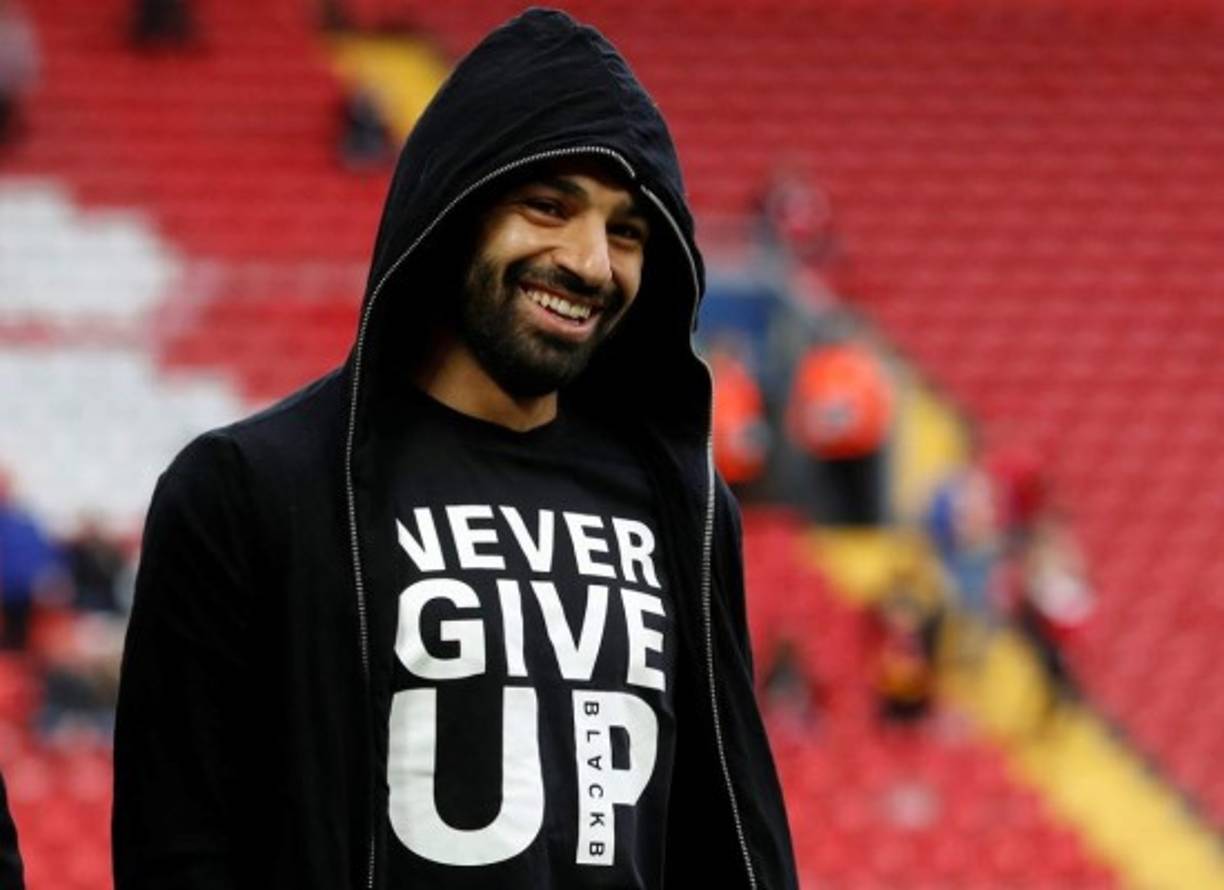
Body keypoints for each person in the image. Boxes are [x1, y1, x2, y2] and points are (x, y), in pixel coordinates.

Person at [113, 9, 798, 890]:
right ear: (455, 213)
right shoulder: (249, 490)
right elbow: (180, 851)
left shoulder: (687, 509)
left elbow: (727, 840)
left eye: (626, 230)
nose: (591, 263)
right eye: (548, 207)